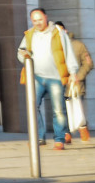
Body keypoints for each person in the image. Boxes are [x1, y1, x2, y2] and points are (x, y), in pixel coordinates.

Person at [16, 8, 79, 149]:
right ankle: (38, 137)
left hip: (55, 77)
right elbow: (20, 53)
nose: (37, 23)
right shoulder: (29, 35)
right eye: (34, 20)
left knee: (58, 110)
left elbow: (68, 52)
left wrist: (73, 72)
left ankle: (59, 139)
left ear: (46, 17)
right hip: (36, 77)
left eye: (40, 19)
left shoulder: (57, 32)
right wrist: (24, 55)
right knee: (33, 106)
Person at [56, 21, 94, 142]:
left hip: (76, 83)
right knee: (61, 109)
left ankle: (83, 128)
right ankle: (66, 133)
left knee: (77, 107)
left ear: (65, 31)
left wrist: (79, 76)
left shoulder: (78, 45)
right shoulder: (53, 47)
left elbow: (88, 63)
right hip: (59, 83)